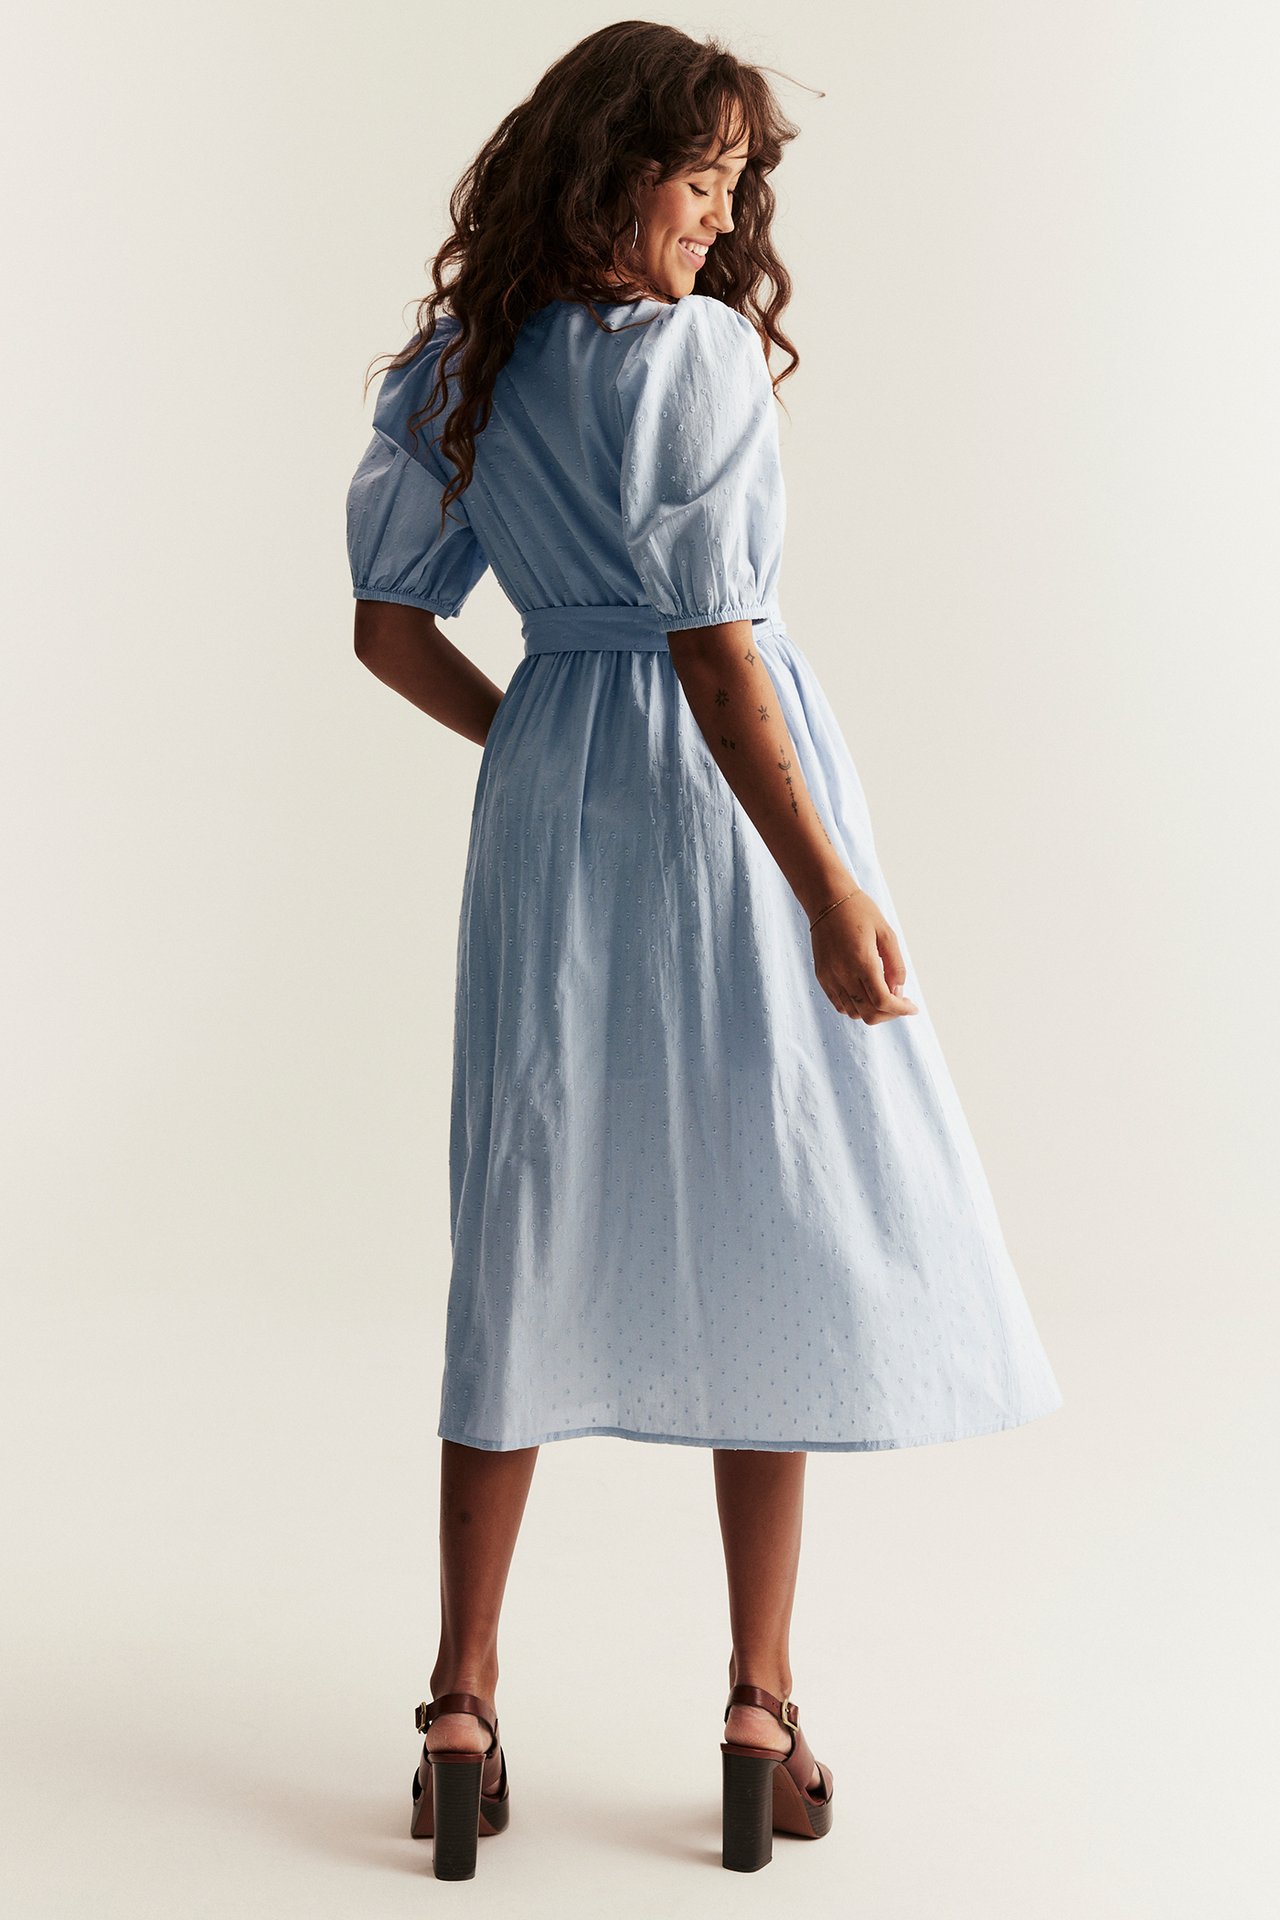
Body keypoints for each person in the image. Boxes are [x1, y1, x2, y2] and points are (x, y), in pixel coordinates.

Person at [345, 21, 1063, 1881]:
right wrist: (832, 893)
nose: (725, 213)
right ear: (616, 174)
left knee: (522, 1210)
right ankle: (759, 1697)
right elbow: (723, 653)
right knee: (770, 1199)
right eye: (703, 178)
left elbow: (386, 630)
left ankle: (457, 1704)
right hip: (725, 813)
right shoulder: (706, 361)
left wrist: (527, 726)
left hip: (550, 813)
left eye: (741, 185)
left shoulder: (464, 366)